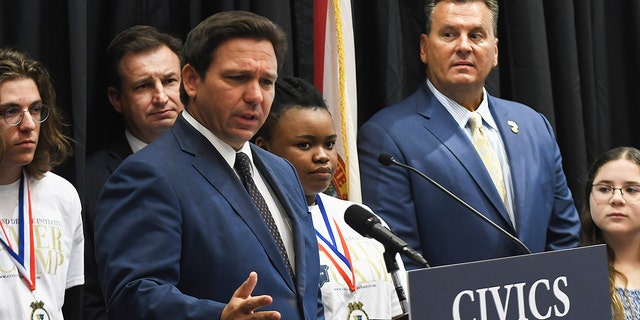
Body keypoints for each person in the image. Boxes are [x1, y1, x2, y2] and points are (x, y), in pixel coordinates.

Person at [94, 11, 323, 319]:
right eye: (237, 78)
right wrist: (217, 317)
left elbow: (305, 295)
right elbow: (132, 296)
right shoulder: (148, 174)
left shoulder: (283, 171)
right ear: (191, 80)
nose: (255, 95)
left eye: (266, 81)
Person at [357, 0, 580, 269]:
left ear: (495, 51)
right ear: (424, 48)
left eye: (476, 35)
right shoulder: (387, 136)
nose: (464, 46)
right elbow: (402, 260)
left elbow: (565, 238)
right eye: (449, 34)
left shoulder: (534, 126)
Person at [254, 76, 406, 319]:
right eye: (305, 145)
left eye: (330, 144)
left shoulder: (361, 219)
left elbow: (399, 310)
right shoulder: (256, 226)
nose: (323, 156)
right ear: (263, 148)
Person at [83, 24, 184, 320]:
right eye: (143, 86)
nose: (161, 96)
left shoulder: (222, 163)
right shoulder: (89, 181)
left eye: (169, 81)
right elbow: (87, 298)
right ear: (116, 99)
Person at [0, 48, 84, 319]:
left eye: (35, 109)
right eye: (10, 111)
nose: (29, 125)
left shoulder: (62, 194)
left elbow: (72, 300)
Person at [581, 146, 640, 320]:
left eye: (631, 190)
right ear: (589, 196)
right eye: (604, 189)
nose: (616, 199)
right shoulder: (568, 275)